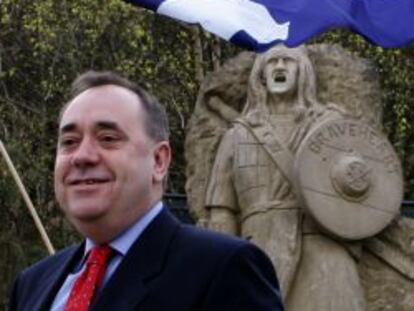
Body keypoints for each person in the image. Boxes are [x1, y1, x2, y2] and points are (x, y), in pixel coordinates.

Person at [9, 71, 284, 311]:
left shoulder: (223, 269)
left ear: (159, 161)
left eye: (107, 139)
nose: (82, 156)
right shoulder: (32, 284)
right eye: (69, 141)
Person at [205, 45, 365, 310]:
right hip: (260, 251)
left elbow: (358, 189)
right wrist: (222, 268)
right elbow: (222, 210)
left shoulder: (330, 126)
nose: (280, 67)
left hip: (323, 247)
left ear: (303, 71)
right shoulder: (238, 135)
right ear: (261, 75)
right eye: (272, 62)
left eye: (288, 61)